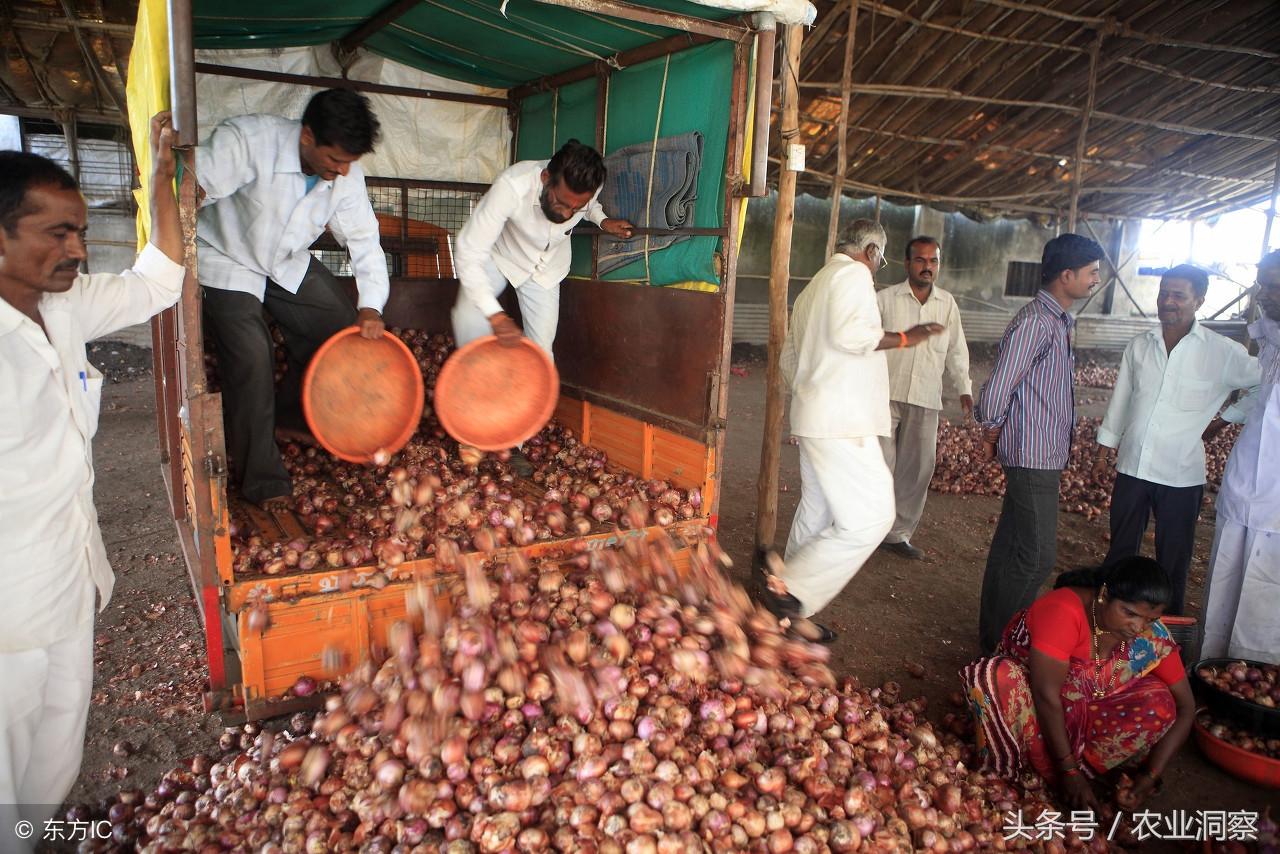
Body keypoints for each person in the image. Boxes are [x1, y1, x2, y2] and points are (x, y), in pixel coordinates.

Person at [0, 115, 184, 839]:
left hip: (71, 582)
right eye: (56, 234)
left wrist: (162, 180)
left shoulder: (65, 305)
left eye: (79, 231)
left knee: (54, 757)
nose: (78, 248)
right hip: (7, 611)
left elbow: (160, 280)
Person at [195, 89, 389, 509]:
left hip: (285, 260)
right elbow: (192, 186)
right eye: (334, 159)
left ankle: (290, 416)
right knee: (251, 354)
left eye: (349, 162)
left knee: (337, 327)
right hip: (226, 255)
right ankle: (262, 480)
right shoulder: (250, 140)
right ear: (306, 137)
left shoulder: (346, 175)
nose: (340, 170)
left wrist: (370, 306)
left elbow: (364, 240)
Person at [763, 219, 945, 642]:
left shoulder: (815, 286)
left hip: (817, 418)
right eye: (880, 257)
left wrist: (813, 393)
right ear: (870, 251)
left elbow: (791, 359)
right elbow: (850, 335)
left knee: (819, 511)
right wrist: (906, 337)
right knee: (873, 517)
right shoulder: (853, 275)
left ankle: (783, 616)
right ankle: (792, 594)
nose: (879, 265)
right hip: (843, 422)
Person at [961, 557, 1195, 812]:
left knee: (1160, 700)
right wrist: (1069, 771)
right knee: (993, 676)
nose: (1138, 627)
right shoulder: (1064, 610)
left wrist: (1149, 778)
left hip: (1084, 719)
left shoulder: (1152, 636)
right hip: (1030, 714)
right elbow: (1045, 694)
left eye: (1150, 619)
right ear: (1105, 594)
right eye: (1129, 613)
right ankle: (1012, 777)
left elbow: (1186, 708)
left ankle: (1078, 773)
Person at [1092, 264, 1259, 615]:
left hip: (1181, 475)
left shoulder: (1221, 352)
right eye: (1163, 293)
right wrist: (1105, 447)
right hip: (1134, 466)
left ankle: (1169, 643)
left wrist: (1226, 419)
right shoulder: (1140, 345)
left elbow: (1266, 383)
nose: (1167, 301)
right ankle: (1104, 632)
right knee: (1121, 553)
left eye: (1178, 295)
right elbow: (1121, 398)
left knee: (1173, 562)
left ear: (1199, 300)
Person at [975, 233, 1104, 654]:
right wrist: (991, 430)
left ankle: (994, 636)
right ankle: (1006, 645)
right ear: (1066, 275)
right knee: (1036, 556)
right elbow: (998, 387)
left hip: (1043, 452)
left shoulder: (1057, 320)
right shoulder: (1037, 322)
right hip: (1032, 456)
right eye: (1091, 273)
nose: (1096, 280)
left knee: (1013, 545)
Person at [452, 139, 634, 354]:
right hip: (503, 256)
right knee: (470, 319)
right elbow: (469, 251)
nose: (567, 215)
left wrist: (602, 221)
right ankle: (473, 379)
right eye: (561, 203)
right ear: (545, 178)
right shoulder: (511, 186)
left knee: (542, 352)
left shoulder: (592, 185)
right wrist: (495, 314)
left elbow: (590, 205)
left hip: (547, 268)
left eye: (575, 209)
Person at [1201, 250, 1280, 664]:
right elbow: (1259, 399)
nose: (1265, 293)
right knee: (1228, 580)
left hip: (1277, 494)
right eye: (1263, 282)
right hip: (1247, 481)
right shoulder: (1270, 339)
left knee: (1268, 598)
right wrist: (1223, 420)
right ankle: (1217, 668)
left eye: (1275, 285)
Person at [876, 236, 972, 560]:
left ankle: (897, 534)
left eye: (933, 261)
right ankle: (867, 529)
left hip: (925, 397)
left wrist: (965, 389)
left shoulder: (947, 304)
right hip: (884, 394)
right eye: (920, 260)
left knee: (917, 468)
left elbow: (958, 351)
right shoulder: (885, 300)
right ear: (907, 264)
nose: (927, 267)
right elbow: (867, 342)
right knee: (878, 465)